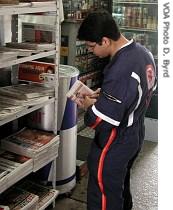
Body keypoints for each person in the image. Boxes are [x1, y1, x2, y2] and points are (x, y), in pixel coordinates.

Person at [77, 10, 156, 210]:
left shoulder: (121, 68)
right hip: (135, 132)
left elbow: (101, 121)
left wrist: (89, 106)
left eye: (91, 46)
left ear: (105, 41)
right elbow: (137, 90)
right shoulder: (142, 52)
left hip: (115, 142)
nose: (91, 51)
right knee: (119, 187)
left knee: (103, 194)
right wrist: (107, 93)